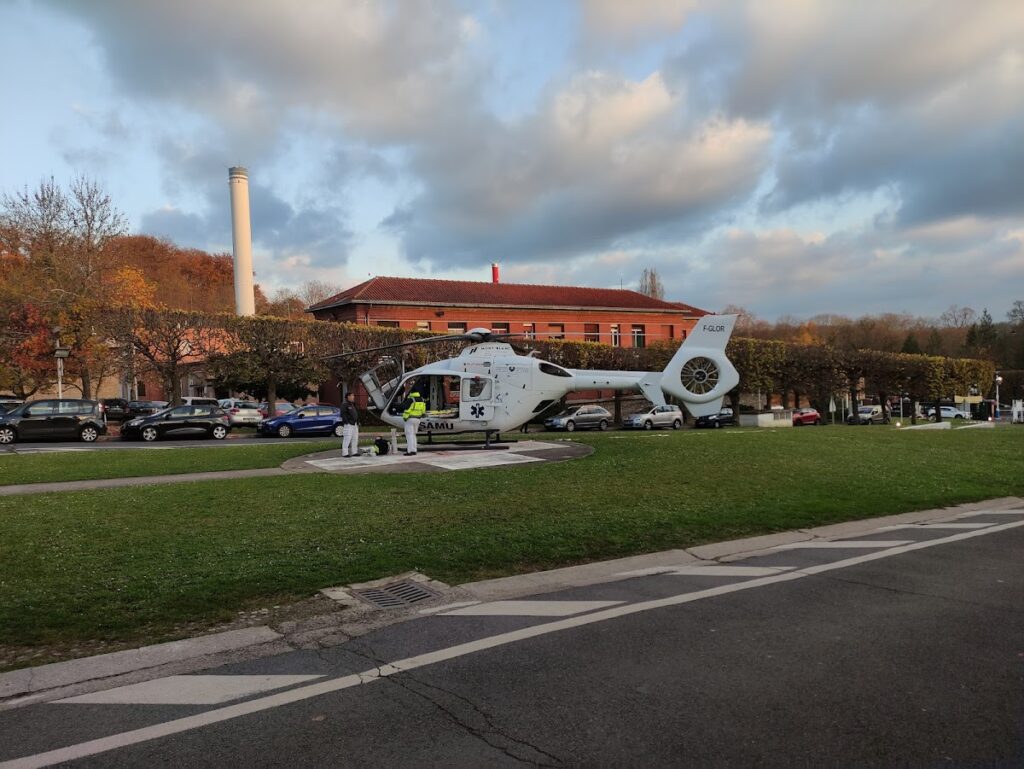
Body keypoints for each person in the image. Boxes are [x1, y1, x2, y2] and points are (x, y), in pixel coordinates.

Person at [401, 390, 426, 455]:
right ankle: (414, 450)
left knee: (409, 435)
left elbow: (404, 407)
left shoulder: (410, 400)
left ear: (411, 393)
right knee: (414, 435)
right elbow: (423, 411)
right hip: (418, 419)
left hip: (410, 419)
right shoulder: (422, 400)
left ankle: (410, 451)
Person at [340, 391, 360, 457]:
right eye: (352, 395)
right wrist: (347, 422)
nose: (353, 397)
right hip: (348, 425)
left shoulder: (352, 404)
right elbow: (343, 414)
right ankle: (345, 453)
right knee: (347, 439)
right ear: (348, 397)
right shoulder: (344, 404)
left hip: (355, 424)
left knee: (355, 438)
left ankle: (354, 452)